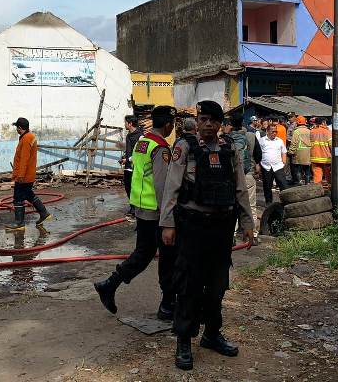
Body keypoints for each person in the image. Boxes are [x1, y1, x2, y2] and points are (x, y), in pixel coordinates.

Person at [161, 100, 254, 371]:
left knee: (217, 285)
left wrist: (248, 222)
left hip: (222, 227)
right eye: (204, 119)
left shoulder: (230, 149)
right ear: (198, 121)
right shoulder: (184, 147)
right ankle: (184, 341)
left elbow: (240, 189)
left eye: (214, 119)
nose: (209, 124)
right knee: (189, 285)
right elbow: (171, 188)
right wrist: (168, 224)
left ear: (221, 123)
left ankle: (212, 334)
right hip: (192, 226)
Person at [94, 106, 178, 320]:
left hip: (141, 207)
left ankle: (110, 284)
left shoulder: (143, 142)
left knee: (144, 253)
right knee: (168, 257)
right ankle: (168, 305)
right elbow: (162, 185)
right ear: (168, 124)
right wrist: (168, 216)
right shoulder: (160, 147)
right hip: (156, 212)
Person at [6, 117, 50, 230]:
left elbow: (24, 159)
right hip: (28, 174)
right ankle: (44, 213)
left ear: (20, 128)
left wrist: (20, 175)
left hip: (24, 176)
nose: (16, 130)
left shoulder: (26, 139)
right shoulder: (30, 136)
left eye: (17, 127)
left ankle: (19, 223)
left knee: (18, 198)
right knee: (28, 194)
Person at [228, 115, 260, 243]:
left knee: (231, 204)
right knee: (251, 204)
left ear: (230, 123)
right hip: (247, 174)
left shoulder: (226, 138)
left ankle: (232, 236)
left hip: (230, 176)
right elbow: (259, 155)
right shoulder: (251, 136)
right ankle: (254, 235)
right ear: (243, 123)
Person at [259, 124, 289, 205]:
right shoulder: (261, 141)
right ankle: (268, 203)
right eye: (273, 131)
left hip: (278, 166)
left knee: (283, 185)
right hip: (266, 167)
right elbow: (258, 153)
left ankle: (286, 202)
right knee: (267, 186)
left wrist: (284, 162)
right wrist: (258, 166)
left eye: (276, 131)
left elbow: (284, 152)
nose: (275, 133)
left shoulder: (279, 140)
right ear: (267, 131)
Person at [120, 114, 143, 217]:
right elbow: (129, 150)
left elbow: (140, 153)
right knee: (128, 187)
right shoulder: (128, 135)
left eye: (125, 122)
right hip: (128, 167)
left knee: (135, 188)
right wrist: (125, 157)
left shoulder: (141, 136)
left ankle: (136, 209)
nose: (124, 124)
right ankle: (133, 206)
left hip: (135, 168)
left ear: (130, 124)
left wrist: (128, 159)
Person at [288, 115, 312, 185]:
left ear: (297, 122)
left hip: (298, 153)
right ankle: (307, 183)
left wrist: (291, 151)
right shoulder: (309, 131)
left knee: (297, 169)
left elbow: (293, 143)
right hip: (308, 153)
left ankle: (299, 182)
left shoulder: (296, 132)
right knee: (307, 169)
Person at [310, 117, 332, 185]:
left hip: (315, 157)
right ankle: (331, 190)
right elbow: (331, 145)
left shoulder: (312, 131)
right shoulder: (327, 132)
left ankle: (317, 190)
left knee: (317, 176)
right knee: (329, 175)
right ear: (323, 122)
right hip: (326, 158)